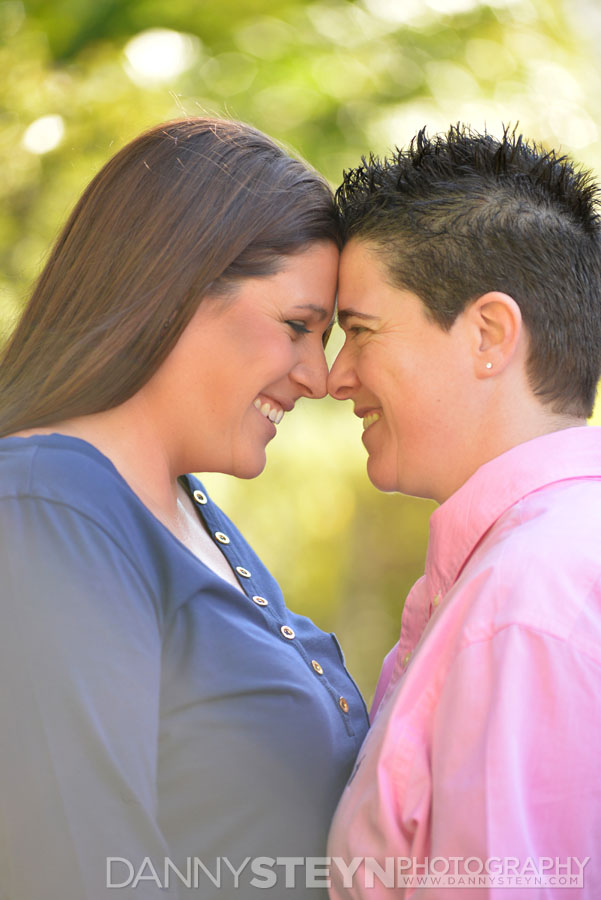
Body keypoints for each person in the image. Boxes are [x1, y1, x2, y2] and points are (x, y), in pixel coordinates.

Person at [0, 117, 369, 900]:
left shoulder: (181, 509)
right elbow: (76, 872)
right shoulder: (47, 507)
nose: (318, 376)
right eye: (297, 327)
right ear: (177, 285)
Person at [326, 126, 601, 898]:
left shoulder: (524, 600)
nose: (334, 377)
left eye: (360, 331)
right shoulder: (543, 564)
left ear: (488, 334)